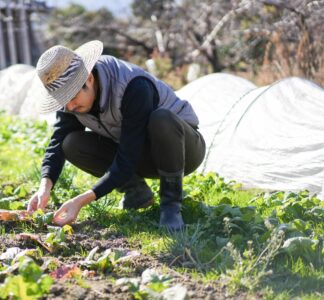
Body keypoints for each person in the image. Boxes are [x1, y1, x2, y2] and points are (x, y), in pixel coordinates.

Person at [27, 40, 206, 231]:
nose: (69, 107)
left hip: (183, 150)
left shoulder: (133, 86)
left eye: (72, 97)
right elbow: (59, 140)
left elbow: (128, 157)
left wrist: (82, 199)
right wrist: (44, 187)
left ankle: (171, 206)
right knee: (71, 143)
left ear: (89, 78)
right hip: (139, 153)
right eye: (63, 101)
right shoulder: (71, 104)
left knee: (161, 119)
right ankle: (136, 193)